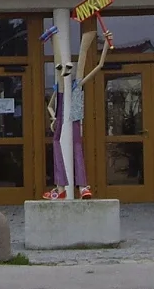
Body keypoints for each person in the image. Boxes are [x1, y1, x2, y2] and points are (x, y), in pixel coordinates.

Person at [44, 21, 109, 200]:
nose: (66, 71)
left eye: (68, 69)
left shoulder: (77, 84)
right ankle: (60, 187)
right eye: (63, 69)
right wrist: (52, 118)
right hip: (60, 118)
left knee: (77, 148)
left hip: (74, 117)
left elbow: (99, 66)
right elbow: (50, 106)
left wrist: (105, 47)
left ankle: (82, 187)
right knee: (57, 145)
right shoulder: (59, 88)